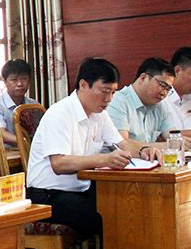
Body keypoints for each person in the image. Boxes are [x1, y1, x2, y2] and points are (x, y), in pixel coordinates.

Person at [27, 58, 162, 235]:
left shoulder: (100, 114)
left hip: (81, 189)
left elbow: (123, 144)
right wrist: (105, 159)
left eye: (113, 92)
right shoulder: (60, 113)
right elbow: (59, 164)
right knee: (110, 217)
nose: (109, 99)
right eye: (104, 91)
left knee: (130, 205)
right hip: (48, 195)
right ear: (83, 85)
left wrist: (144, 150)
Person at [106, 57, 175, 145]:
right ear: (143, 78)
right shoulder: (117, 101)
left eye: (168, 89)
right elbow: (121, 144)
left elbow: (173, 137)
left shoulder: (160, 107)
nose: (164, 93)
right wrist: (164, 146)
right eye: (162, 85)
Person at [0, 59, 37, 145]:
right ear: (5, 82)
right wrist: (25, 142)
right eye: (14, 80)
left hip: (32, 152)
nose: (20, 84)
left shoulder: (34, 106)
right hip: (6, 155)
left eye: (24, 79)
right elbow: (1, 133)